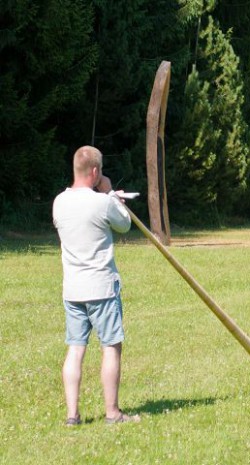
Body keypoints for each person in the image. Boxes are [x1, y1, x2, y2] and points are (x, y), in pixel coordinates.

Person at [52, 146, 139, 426]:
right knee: (111, 347)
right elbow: (124, 224)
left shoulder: (58, 202)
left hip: (73, 290)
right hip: (101, 288)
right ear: (95, 172)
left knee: (75, 349)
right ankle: (112, 413)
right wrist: (110, 192)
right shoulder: (102, 202)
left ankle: (72, 415)